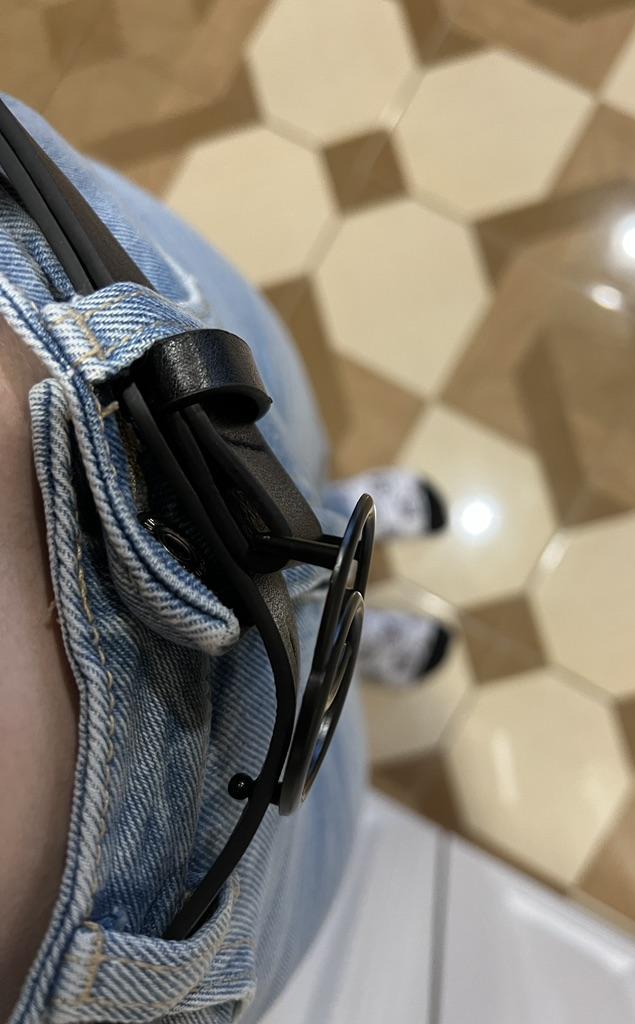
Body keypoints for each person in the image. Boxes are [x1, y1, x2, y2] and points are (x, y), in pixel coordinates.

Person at [0, 95, 450, 1023]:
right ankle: (335, 628)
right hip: (167, 920)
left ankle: (328, 539)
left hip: (82, 296)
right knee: (326, 732)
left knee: (288, 457)